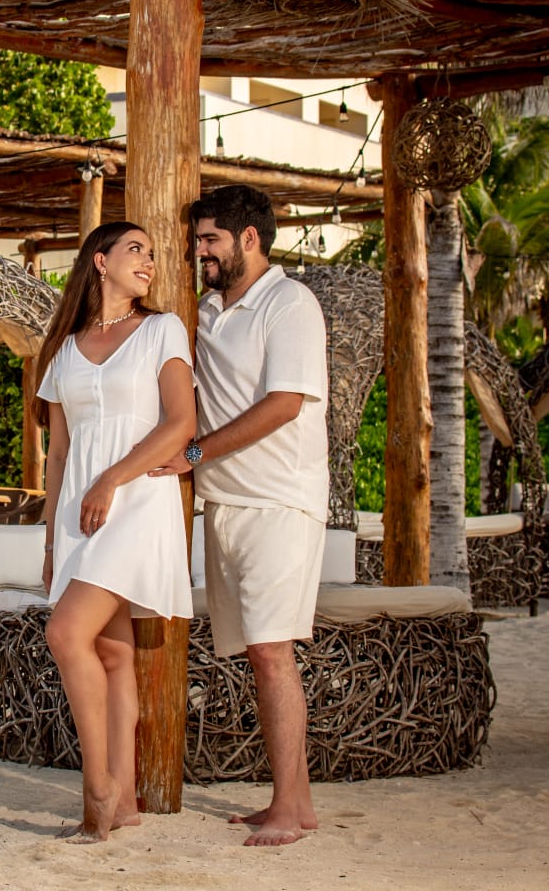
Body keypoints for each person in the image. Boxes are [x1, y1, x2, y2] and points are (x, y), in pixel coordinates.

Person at [152, 184, 328, 847]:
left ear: (248, 238)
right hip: (224, 503)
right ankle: (296, 804)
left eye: (210, 240)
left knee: (273, 653)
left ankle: (286, 809)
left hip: (279, 502)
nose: (199, 252)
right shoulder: (206, 309)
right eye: (197, 241)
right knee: (259, 653)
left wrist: (194, 453)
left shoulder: (290, 303)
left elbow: (285, 403)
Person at [33, 221, 197, 844]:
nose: (148, 261)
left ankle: (97, 789)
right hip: (79, 513)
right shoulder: (63, 351)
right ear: (99, 262)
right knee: (111, 651)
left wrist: (110, 480)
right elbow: (57, 455)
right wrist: (52, 540)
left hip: (137, 502)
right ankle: (124, 799)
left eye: (152, 253)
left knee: (65, 632)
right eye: (136, 250)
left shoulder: (162, 329)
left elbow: (181, 423)